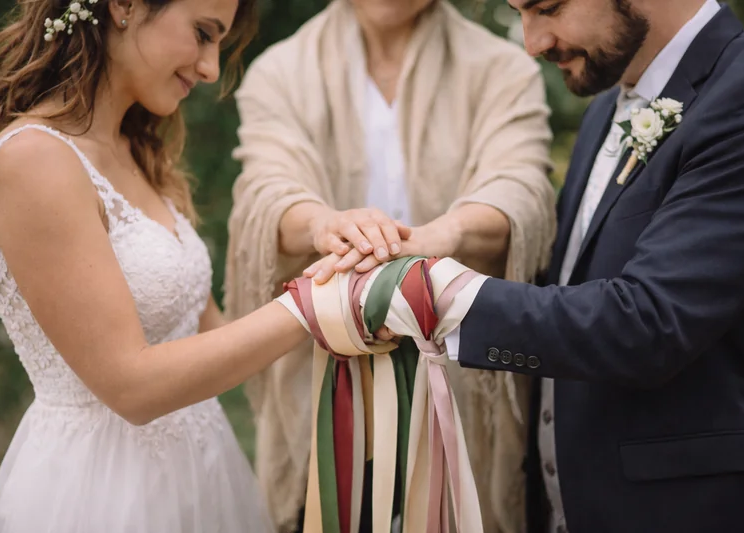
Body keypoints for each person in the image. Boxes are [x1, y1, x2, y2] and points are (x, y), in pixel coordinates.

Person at [377, 0, 744, 531]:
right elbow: (571, 286)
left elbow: (648, 321)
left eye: (547, 8)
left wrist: (435, 294)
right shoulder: (607, 109)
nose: (532, 42)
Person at [0, 0, 311, 531]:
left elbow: (212, 335)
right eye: (201, 33)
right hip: (102, 492)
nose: (210, 68)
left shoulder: (137, 151)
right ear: (124, 6)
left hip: (201, 471)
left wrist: (339, 276)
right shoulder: (33, 159)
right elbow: (133, 385)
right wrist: (311, 308)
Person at [221, 0, 558, 530]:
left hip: (459, 378)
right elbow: (266, 189)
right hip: (326, 384)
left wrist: (435, 238)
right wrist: (324, 226)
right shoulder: (279, 71)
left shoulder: (502, 66)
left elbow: (520, 188)